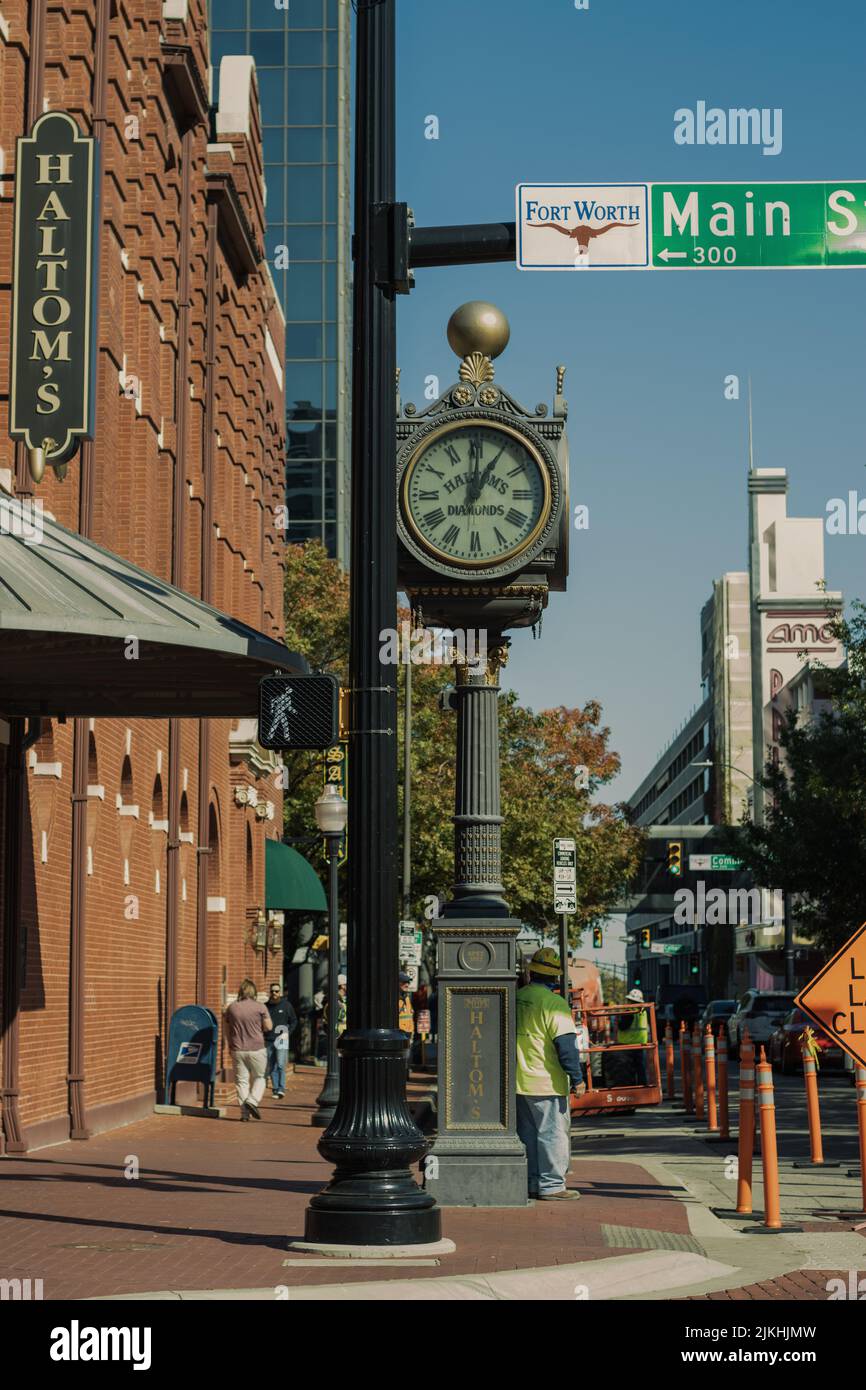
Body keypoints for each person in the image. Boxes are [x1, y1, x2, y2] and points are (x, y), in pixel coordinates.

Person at [516, 947, 586, 1201]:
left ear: (531, 972)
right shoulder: (554, 1003)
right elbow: (566, 1046)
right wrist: (577, 1078)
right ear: (555, 977)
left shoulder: (518, 997)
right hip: (546, 1082)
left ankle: (533, 1183)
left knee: (528, 1136)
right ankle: (553, 1186)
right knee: (553, 1135)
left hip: (518, 1081)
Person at [224, 979, 272, 1121]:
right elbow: (269, 1027)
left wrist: (230, 1045)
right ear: (254, 992)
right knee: (260, 1077)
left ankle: (244, 1114)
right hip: (257, 1048)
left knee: (242, 1081)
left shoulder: (232, 1008)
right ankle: (252, 1101)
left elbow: (227, 1029)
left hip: (238, 1048)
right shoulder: (260, 1007)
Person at [265, 983, 298, 1099]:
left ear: (280, 992)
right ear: (270, 992)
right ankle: (275, 1089)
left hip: (281, 1040)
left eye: (277, 991)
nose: (274, 993)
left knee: (280, 1064)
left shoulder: (286, 1005)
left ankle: (281, 1088)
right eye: (272, 991)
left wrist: (287, 1033)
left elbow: (294, 1021)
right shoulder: (265, 1007)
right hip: (268, 1040)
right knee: (271, 1066)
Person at [618, 988, 650, 1086]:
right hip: (640, 1044)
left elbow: (623, 1027)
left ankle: (630, 1087)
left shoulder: (629, 1012)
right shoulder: (643, 1012)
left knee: (628, 1069)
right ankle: (643, 1086)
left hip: (627, 1044)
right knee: (641, 1068)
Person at [398, 971, 415, 1068]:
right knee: (402, 1058)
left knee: (407, 1058)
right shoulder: (394, 998)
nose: (407, 984)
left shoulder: (407, 998)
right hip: (400, 1033)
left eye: (408, 982)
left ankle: (406, 1072)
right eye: (404, 982)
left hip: (408, 1033)